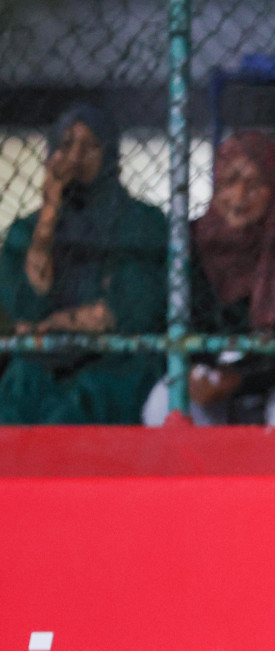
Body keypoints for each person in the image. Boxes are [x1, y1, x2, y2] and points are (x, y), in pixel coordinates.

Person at [140, 129, 275, 426]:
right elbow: (184, 323)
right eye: (230, 182)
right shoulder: (196, 239)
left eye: (255, 184)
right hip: (222, 368)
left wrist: (243, 377)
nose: (239, 195)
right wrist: (205, 371)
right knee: (165, 405)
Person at [0, 104, 167, 423]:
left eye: (89, 147)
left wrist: (55, 324)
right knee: (20, 392)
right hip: (44, 361)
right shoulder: (27, 231)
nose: (75, 157)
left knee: (77, 407)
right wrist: (49, 216)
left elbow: (129, 312)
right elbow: (26, 309)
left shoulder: (143, 223)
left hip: (118, 359)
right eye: (65, 146)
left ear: (110, 155)